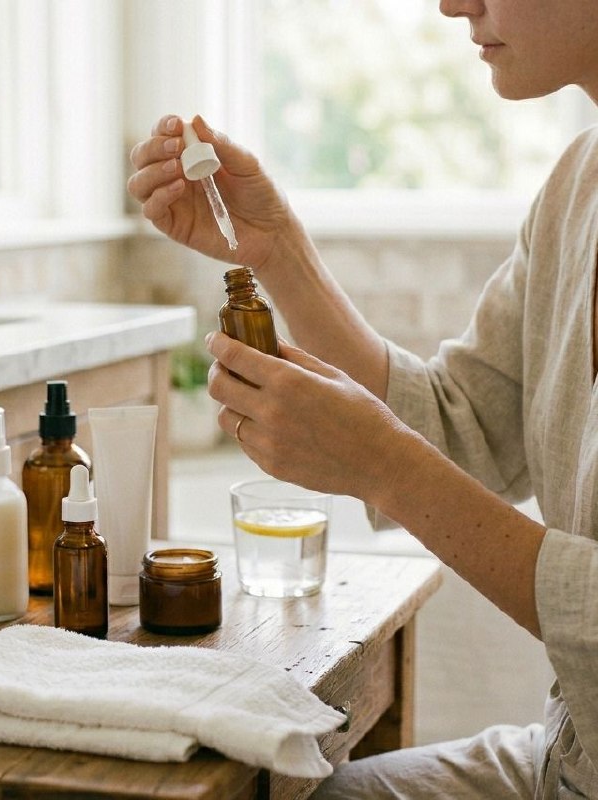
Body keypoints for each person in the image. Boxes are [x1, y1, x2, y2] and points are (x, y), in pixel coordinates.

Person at [128, 0, 598, 797]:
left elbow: (417, 460)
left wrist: (386, 469)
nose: (454, 4)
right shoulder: (576, 188)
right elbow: (460, 427)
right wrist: (277, 249)